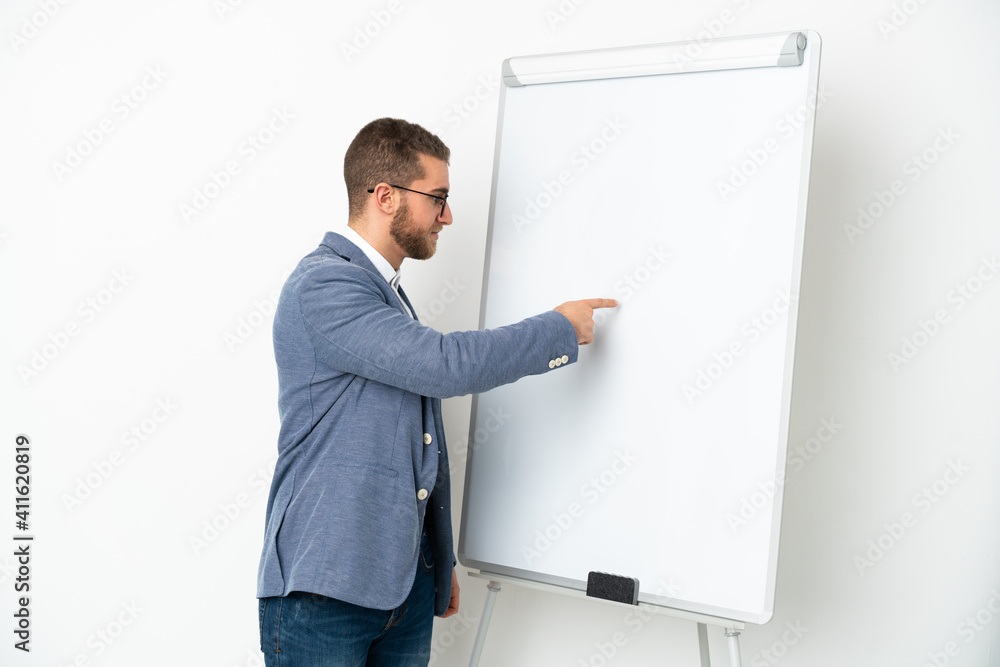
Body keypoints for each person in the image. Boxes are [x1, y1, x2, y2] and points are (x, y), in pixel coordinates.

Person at [256, 117, 616, 666]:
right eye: (438, 199)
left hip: (401, 590)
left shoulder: (383, 294)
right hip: (324, 591)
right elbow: (445, 366)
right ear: (385, 197)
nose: (447, 216)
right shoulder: (325, 285)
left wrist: (436, 560)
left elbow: (416, 442)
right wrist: (558, 329)